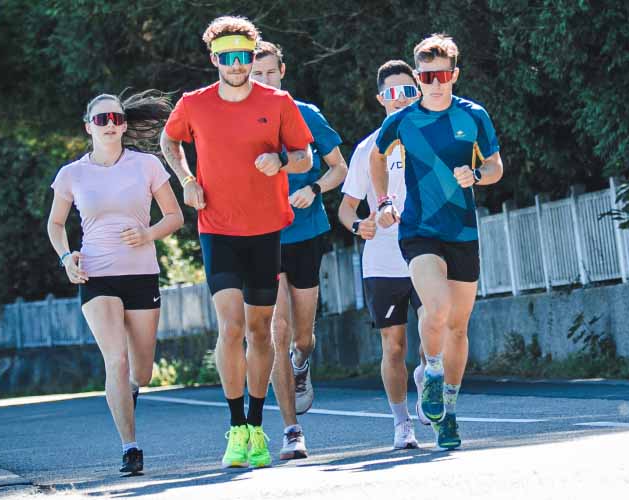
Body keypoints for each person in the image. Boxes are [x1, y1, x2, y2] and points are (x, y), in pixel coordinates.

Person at [159, 16, 313, 469]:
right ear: (214, 59)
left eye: (244, 56)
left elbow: (304, 155)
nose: (237, 65)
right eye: (227, 57)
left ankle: (258, 423)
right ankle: (236, 428)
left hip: (265, 229)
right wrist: (187, 180)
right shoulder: (194, 104)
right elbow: (170, 143)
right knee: (229, 327)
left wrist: (281, 161)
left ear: (252, 56)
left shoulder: (279, 102)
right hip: (217, 228)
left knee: (260, 331)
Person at [370, 34, 504, 450]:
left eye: (443, 74)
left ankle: (449, 411)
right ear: (419, 77)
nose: (436, 83)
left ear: (454, 74)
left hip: (462, 231)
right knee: (437, 308)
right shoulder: (403, 120)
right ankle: (430, 370)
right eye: (427, 76)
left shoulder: (474, 115)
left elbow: (496, 166)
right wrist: (386, 200)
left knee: (459, 329)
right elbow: (377, 157)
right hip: (420, 230)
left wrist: (477, 176)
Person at [47, 90, 183, 474]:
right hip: (96, 274)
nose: (111, 125)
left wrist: (148, 234)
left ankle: (134, 390)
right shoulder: (72, 174)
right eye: (102, 119)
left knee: (141, 370)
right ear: (88, 126)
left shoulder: (146, 166)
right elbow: (55, 224)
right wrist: (65, 257)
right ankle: (130, 447)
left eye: (117, 119)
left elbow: (174, 216)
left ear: (124, 125)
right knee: (116, 359)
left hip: (141, 274)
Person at [251, 41, 348, 460]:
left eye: (271, 73)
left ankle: (302, 363)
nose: (264, 81)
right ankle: (291, 429)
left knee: (302, 336)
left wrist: (313, 188)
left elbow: (338, 169)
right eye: (257, 75)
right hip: (260, 235)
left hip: (305, 233)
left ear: (283, 71)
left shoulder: (305, 114)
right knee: (278, 329)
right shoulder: (238, 122)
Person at [339, 60, 430, 450]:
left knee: (434, 333)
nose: (401, 99)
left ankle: (428, 377)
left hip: (428, 250)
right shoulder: (367, 148)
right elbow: (346, 208)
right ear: (381, 99)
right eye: (392, 93)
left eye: (408, 91)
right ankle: (401, 422)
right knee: (394, 346)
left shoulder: (433, 136)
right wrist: (360, 225)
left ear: (419, 91)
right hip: (383, 260)